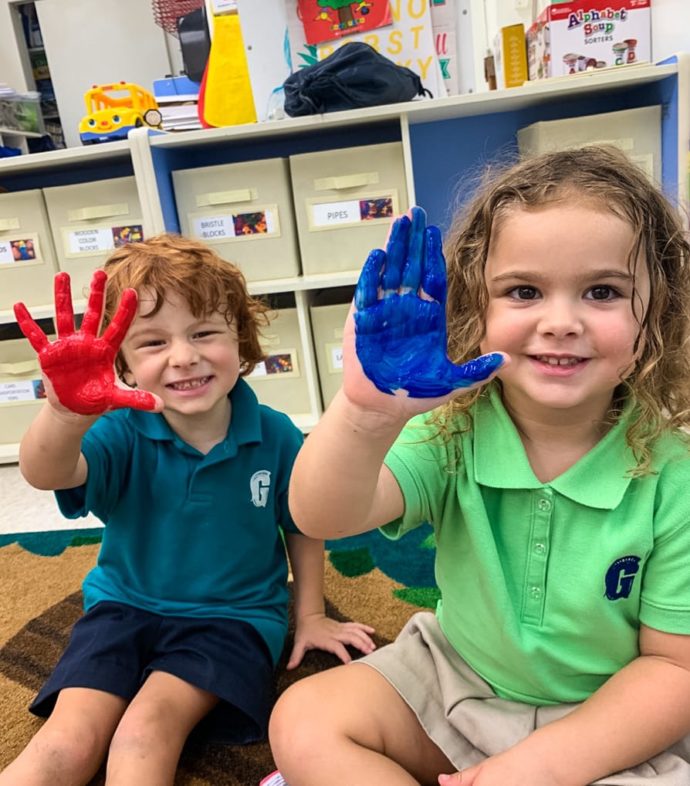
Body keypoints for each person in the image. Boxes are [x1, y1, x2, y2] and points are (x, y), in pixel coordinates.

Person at [267, 146, 690, 785]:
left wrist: (539, 768)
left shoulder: (677, 476)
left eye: (602, 292)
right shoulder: (451, 428)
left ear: (653, 317)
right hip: (458, 681)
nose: (561, 322)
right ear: (477, 310)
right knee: (303, 718)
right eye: (524, 291)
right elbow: (322, 514)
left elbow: (674, 671)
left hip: (605, 725)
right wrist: (363, 415)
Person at [1, 234, 376, 786]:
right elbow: (47, 472)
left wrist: (312, 614)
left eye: (204, 332)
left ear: (240, 339)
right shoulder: (117, 432)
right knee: (68, 739)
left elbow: (303, 525)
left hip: (232, 620)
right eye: (152, 343)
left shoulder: (275, 434)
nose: (184, 356)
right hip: (121, 608)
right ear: (121, 361)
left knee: (144, 731)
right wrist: (64, 412)